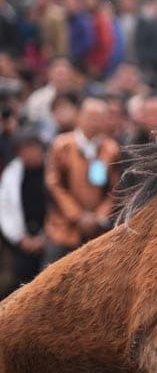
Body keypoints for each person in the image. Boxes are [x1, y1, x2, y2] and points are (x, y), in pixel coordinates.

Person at [44, 96, 119, 265]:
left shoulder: (110, 148)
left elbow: (115, 189)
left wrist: (99, 216)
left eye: (100, 118)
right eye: (91, 117)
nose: (95, 122)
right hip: (63, 227)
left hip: (97, 229)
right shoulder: (61, 145)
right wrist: (77, 216)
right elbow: (54, 184)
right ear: (79, 117)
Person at [0, 129, 47, 288]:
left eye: (33, 147)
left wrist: (46, 237)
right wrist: (20, 238)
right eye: (24, 149)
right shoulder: (11, 174)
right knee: (21, 283)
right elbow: (4, 209)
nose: (29, 153)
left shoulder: (51, 170)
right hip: (23, 240)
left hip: (51, 236)